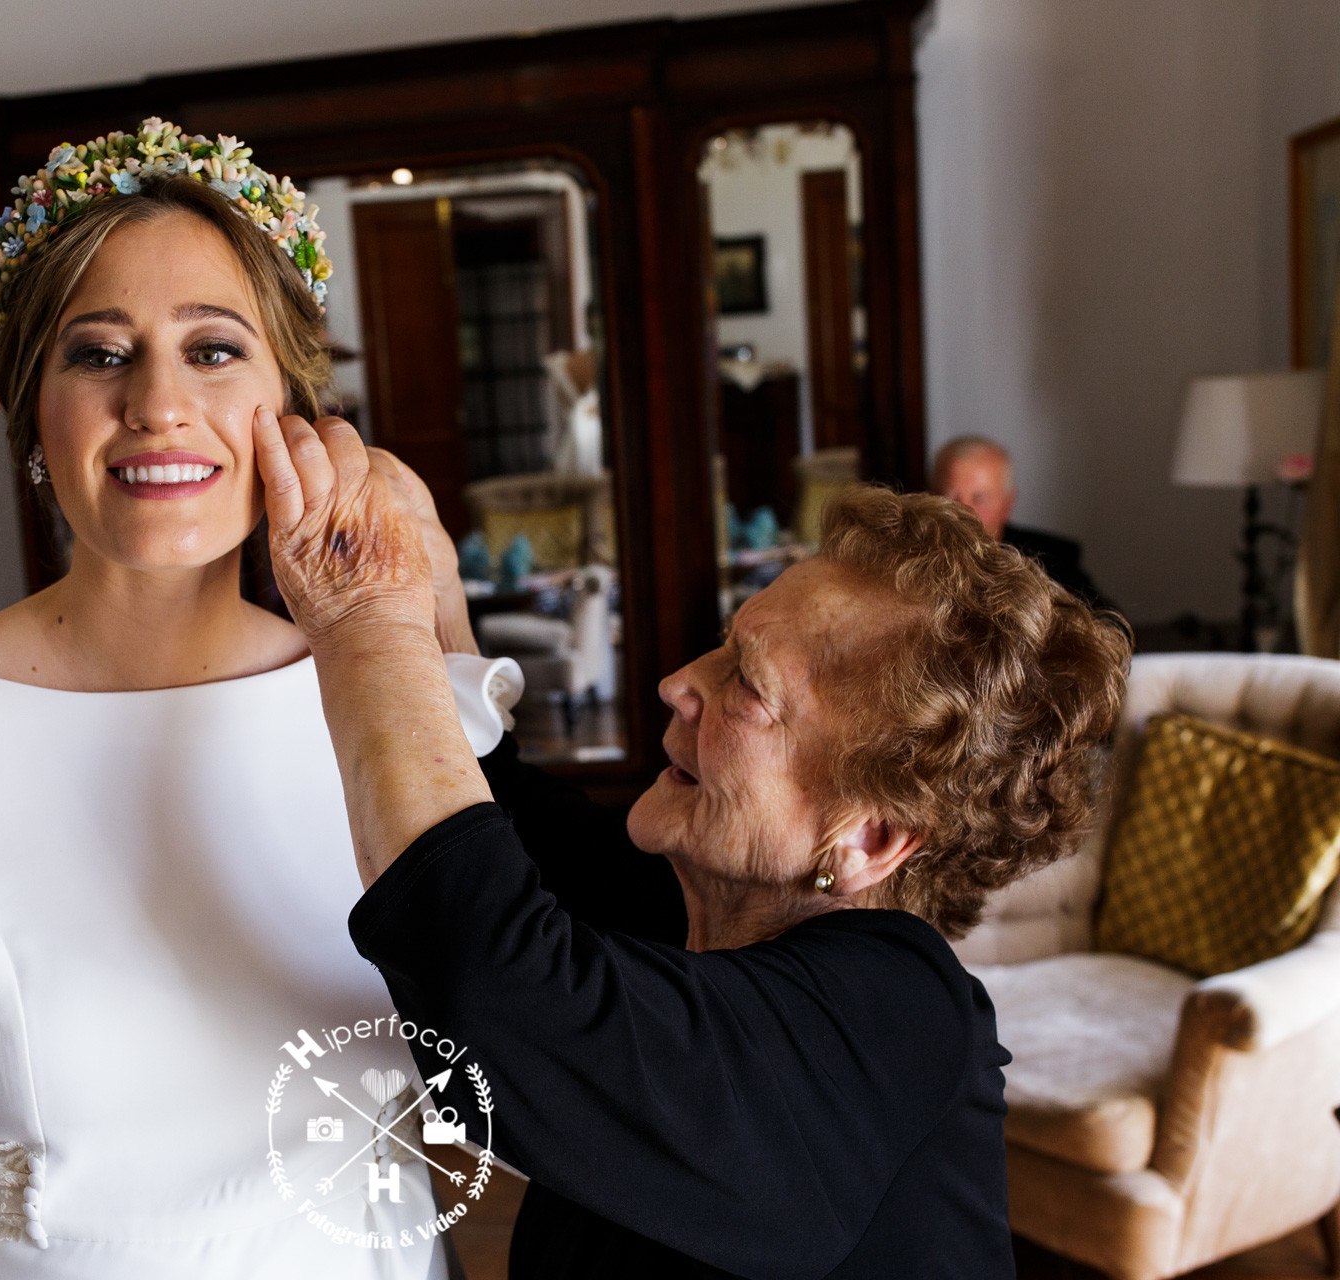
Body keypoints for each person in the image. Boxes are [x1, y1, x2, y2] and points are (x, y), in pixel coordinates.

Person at [0, 121, 483, 1280]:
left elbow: (499, 1064)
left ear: (290, 405)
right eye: (99, 353)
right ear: (33, 411)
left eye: (213, 349)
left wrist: (418, 614)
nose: (158, 403)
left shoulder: (390, 713)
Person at [250, 414, 1133, 1278]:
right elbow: (509, 824)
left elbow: (491, 986)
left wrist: (368, 618)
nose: (679, 683)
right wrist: (436, 595)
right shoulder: (701, 900)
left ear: (869, 837)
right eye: (723, 646)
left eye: (747, 684)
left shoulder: (896, 1025)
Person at [931, 434, 1113, 609]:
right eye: (950, 497)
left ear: (1007, 504)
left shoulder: (1053, 560)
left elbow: (1110, 629)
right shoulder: (916, 563)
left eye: (979, 499)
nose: (963, 511)